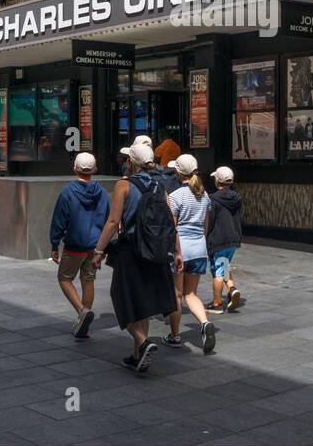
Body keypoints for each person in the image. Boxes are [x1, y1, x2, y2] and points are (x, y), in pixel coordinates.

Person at [92, 143, 180, 373]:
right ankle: (136, 356)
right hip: (156, 251)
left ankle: (143, 342)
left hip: (131, 250)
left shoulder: (124, 185)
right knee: (144, 303)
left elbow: (113, 222)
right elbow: (171, 220)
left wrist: (98, 251)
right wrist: (177, 251)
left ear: (131, 162)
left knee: (122, 297)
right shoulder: (161, 187)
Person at [49, 152, 109, 339]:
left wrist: (54, 243)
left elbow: (59, 220)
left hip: (74, 245)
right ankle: (85, 322)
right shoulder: (103, 193)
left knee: (64, 278)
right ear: (95, 170)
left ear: (74, 168)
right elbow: (109, 220)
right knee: (88, 281)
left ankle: (82, 311)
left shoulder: (68, 192)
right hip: (94, 246)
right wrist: (104, 247)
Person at [163, 153, 217, 353]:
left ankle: (175, 335)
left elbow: (172, 228)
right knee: (191, 293)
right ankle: (204, 322)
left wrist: (173, 250)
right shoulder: (204, 196)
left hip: (181, 249)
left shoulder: (175, 196)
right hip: (199, 249)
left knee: (177, 294)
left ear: (177, 172)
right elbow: (205, 227)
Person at [205, 165, 243, 314]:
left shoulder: (213, 199)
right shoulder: (237, 198)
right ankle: (232, 289)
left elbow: (210, 221)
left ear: (216, 180)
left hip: (219, 239)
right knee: (225, 265)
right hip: (233, 239)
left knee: (218, 272)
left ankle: (217, 303)